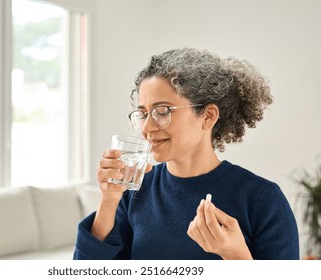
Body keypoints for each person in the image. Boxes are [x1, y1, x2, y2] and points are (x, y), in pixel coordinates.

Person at [73, 48, 299, 260]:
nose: (147, 127)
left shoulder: (262, 199)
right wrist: (109, 200)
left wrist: (235, 255)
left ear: (208, 116)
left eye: (162, 111)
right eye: (143, 113)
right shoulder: (135, 191)